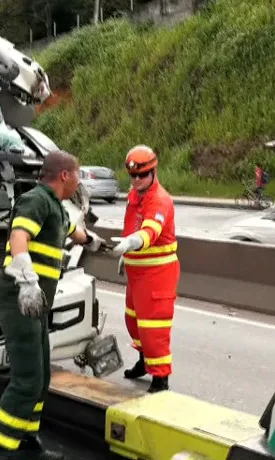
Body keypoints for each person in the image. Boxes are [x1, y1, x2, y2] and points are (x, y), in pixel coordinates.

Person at [0, 150, 106, 460]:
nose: (79, 181)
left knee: (41, 378)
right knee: (27, 381)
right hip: (17, 298)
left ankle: (25, 441)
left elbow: (74, 232)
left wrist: (95, 241)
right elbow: (19, 237)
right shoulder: (36, 200)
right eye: (77, 174)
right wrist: (27, 281)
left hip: (33, 305)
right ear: (64, 175)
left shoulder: (57, 209)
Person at [111, 145, 179, 393]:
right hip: (136, 272)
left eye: (142, 175)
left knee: (153, 328)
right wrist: (127, 254)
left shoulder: (159, 199)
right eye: (133, 176)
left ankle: (160, 378)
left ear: (153, 173)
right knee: (134, 322)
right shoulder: (135, 195)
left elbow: (150, 231)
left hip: (156, 275)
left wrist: (130, 244)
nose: (137, 180)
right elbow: (133, 225)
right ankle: (143, 361)